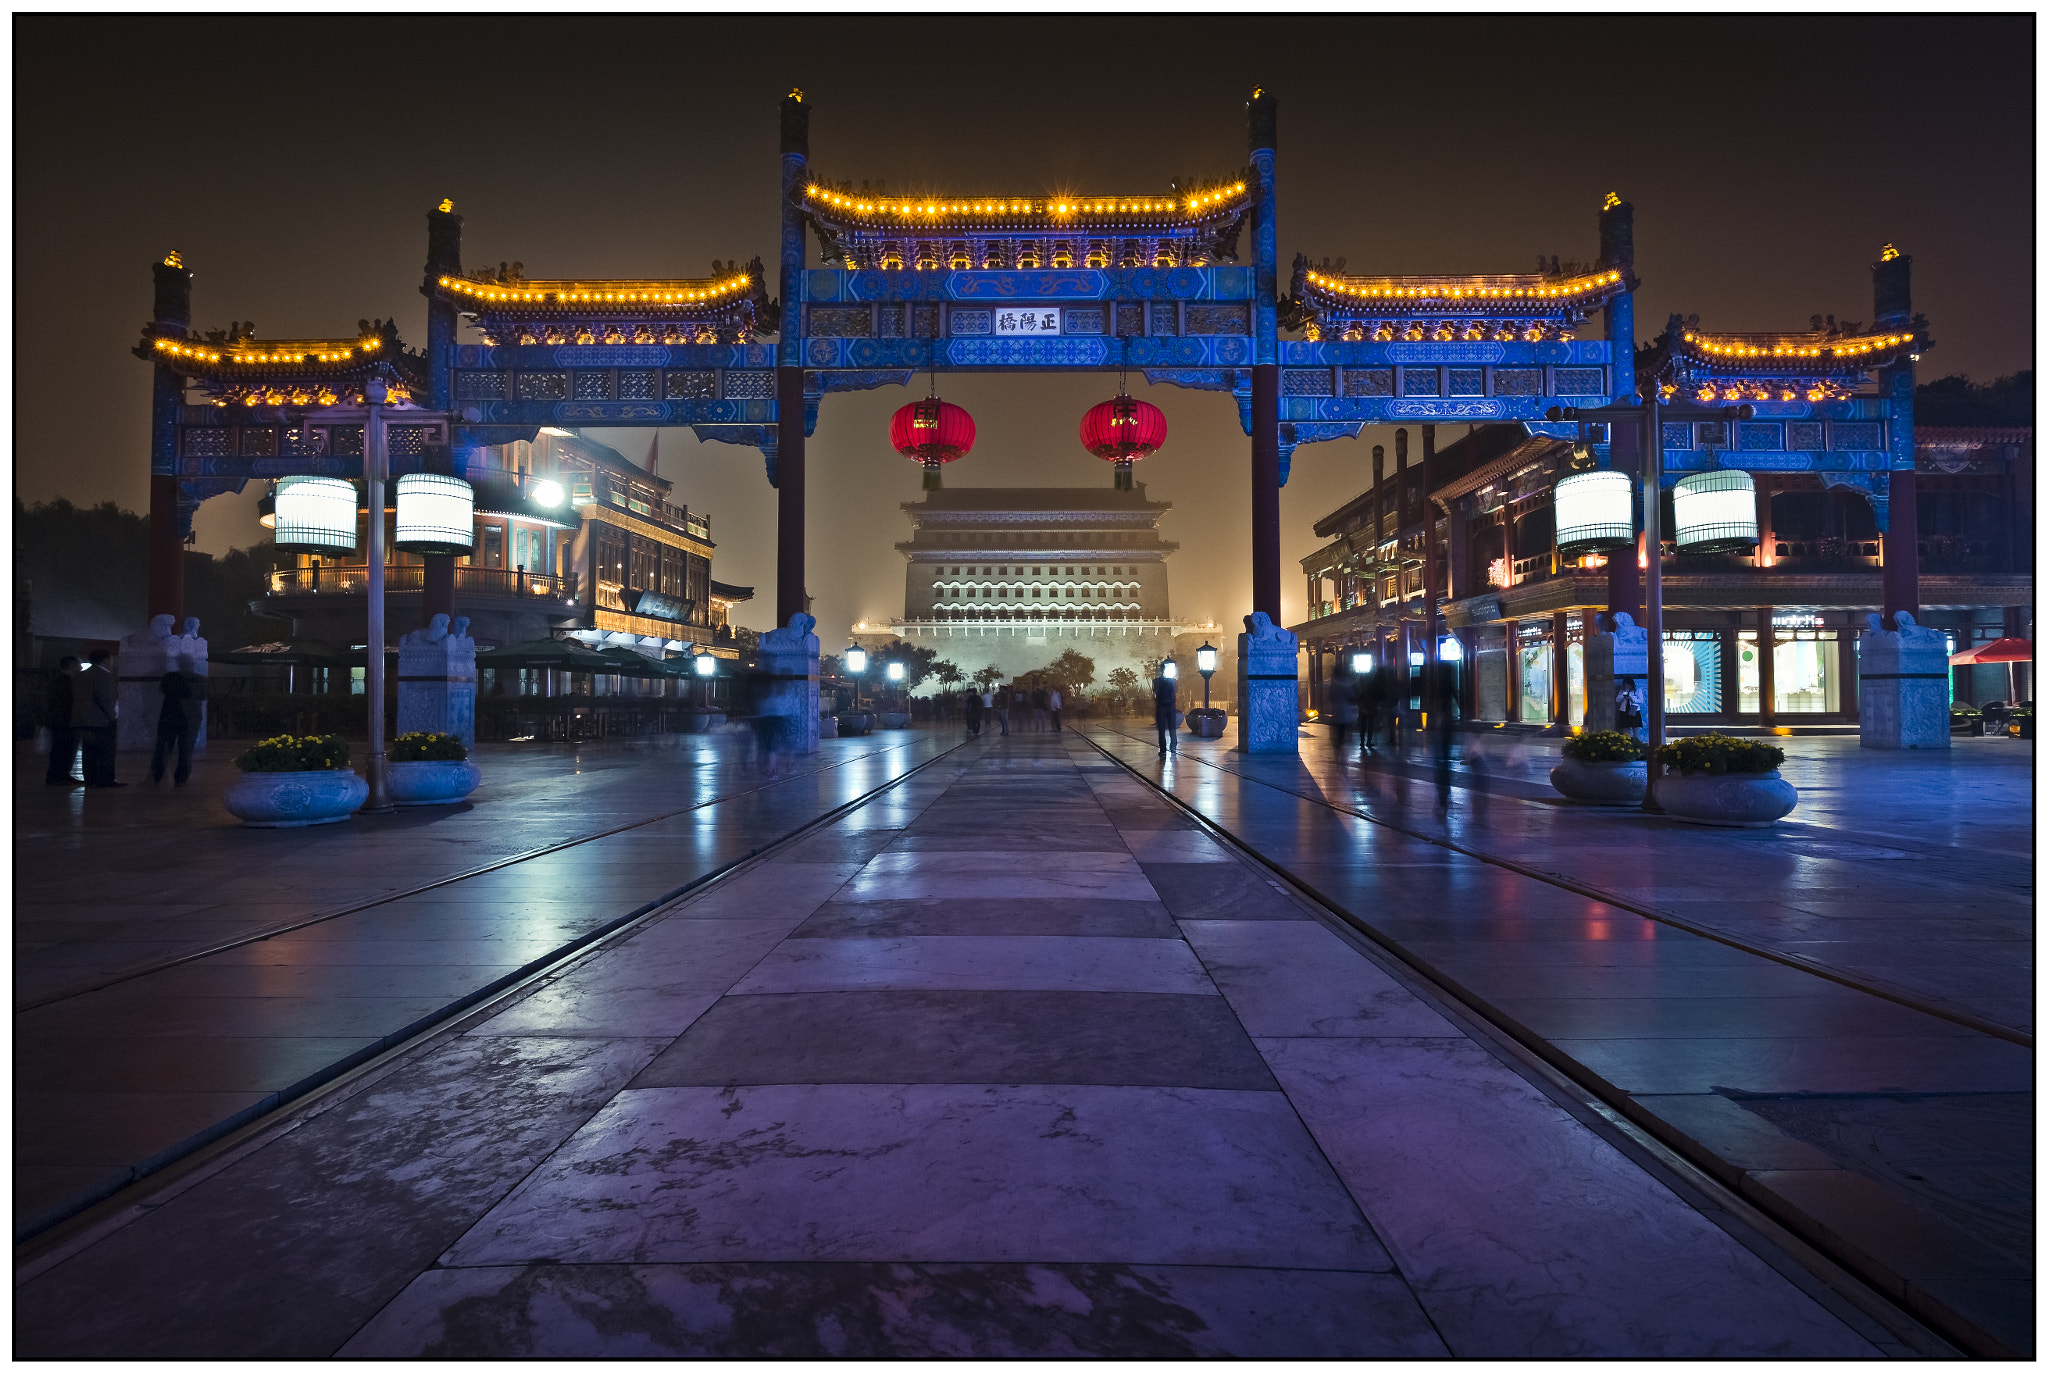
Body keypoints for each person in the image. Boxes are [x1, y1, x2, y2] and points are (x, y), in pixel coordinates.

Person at [73, 649, 122, 786]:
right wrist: (112, 717)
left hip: (84, 718)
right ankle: (106, 779)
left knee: (89, 752)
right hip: (101, 720)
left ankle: (91, 779)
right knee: (105, 752)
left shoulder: (81, 675)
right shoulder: (104, 676)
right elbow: (106, 699)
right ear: (105, 659)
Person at [150, 664, 201, 786]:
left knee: (162, 749)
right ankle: (181, 779)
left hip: (167, 719)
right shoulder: (191, 685)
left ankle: (157, 777)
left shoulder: (168, 692)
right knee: (184, 751)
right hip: (184, 720)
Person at [43, 656, 80, 785]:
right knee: (63, 750)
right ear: (71, 665)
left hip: (58, 722)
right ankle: (59, 776)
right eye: (78, 664)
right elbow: (67, 704)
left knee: (60, 750)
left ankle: (60, 775)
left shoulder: (59, 681)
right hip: (64, 722)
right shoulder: (66, 682)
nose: (80, 666)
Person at [1328, 661, 1358, 757]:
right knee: (1344, 730)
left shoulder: (1333, 682)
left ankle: (1337, 749)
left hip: (1337, 711)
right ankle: (1343, 749)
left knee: (1338, 732)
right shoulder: (1346, 682)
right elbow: (1352, 697)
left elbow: (1331, 696)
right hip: (1346, 712)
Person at [1152, 661, 1178, 756]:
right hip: (1171, 706)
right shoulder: (1173, 681)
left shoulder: (1156, 681)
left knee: (1161, 730)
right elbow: (1175, 692)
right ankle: (1173, 747)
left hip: (1161, 707)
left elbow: (1154, 693)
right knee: (1172, 728)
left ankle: (1163, 750)